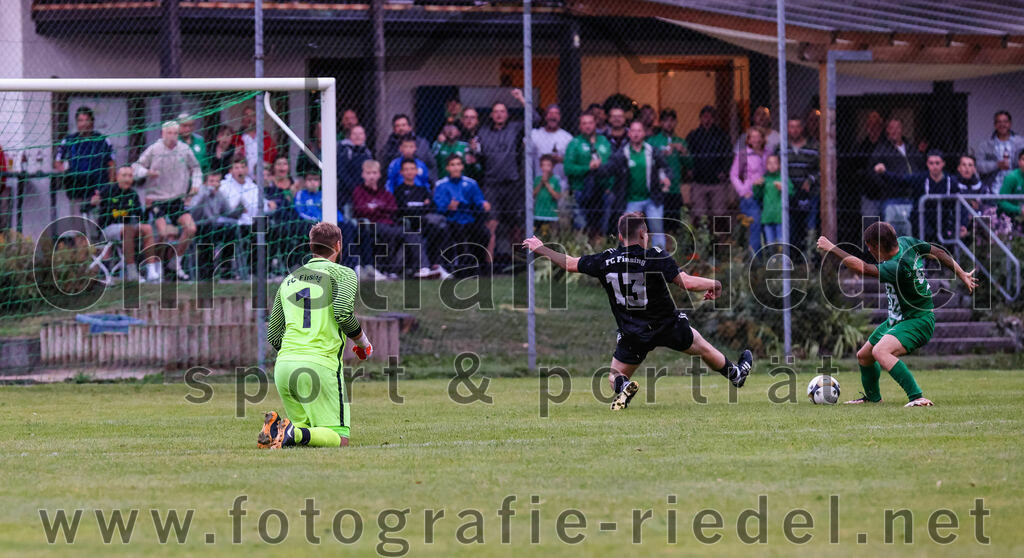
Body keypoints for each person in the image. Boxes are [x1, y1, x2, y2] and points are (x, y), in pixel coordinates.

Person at [522, 212, 753, 411]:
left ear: (621, 237)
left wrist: (541, 248)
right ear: (644, 235)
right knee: (702, 346)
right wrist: (715, 284)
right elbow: (687, 283)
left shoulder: (606, 260)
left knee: (613, 376)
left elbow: (569, 263)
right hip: (667, 324)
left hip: (633, 332)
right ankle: (735, 374)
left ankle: (624, 386)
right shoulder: (655, 256)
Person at [816, 222, 977, 407]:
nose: (868, 250)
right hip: (898, 319)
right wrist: (961, 273)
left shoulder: (898, 266)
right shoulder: (907, 243)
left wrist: (832, 248)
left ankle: (917, 397)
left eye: (869, 247)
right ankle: (873, 398)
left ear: (878, 246)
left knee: (880, 351)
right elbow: (939, 253)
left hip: (917, 321)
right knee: (864, 356)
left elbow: (863, 268)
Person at [260, 221, 373, 449]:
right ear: (338, 246)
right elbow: (342, 313)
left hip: (284, 367)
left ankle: (280, 430)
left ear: (311, 246)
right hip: (319, 366)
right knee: (339, 439)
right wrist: (364, 343)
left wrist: (295, 354)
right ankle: (290, 431)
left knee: (304, 436)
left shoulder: (289, 280)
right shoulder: (344, 274)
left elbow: (273, 334)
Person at [133, 121, 202, 280]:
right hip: (157, 200)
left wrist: (196, 185)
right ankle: (155, 265)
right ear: (163, 134)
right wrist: (147, 172)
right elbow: (136, 167)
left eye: (175, 133)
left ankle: (175, 262)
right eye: (169, 133)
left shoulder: (184, 149)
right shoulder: (154, 149)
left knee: (191, 229)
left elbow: (196, 168)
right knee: (163, 233)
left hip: (177, 199)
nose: (172, 136)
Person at [353, 159, 433, 279]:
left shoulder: (384, 192)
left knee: (411, 234)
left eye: (374, 173)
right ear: (363, 174)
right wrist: (381, 209)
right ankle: (390, 269)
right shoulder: (358, 191)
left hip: (390, 224)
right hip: (371, 225)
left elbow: (393, 208)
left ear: (379, 174)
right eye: (368, 173)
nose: (371, 176)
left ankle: (423, 268)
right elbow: (360, 210)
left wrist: (375, 208)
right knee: (399, 233)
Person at [599, 121, 672, 249]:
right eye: (633, 131)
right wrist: (598, 165)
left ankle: (660, 260)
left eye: (639, 131)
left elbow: (666, 168)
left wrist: (666, 178)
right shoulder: (622, 154)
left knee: (657, 230)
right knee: (628, 233)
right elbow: (607, 170)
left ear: (644, 133)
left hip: (652, 199)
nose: (636, 134)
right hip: (631, 200)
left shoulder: (652, 151)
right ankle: (629, 260)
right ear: (629, 134)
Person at [477, 97, 525, 263]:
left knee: (515, 226)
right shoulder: (482, 132)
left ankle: (518, 262)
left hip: (512, 183)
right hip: (491, 184)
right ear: (491, 115)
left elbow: (536, 119)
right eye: (496, 112)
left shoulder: (515, 128)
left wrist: (521, 99)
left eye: (502, 112)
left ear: (507, 114)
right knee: (491, 224)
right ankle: (488, 265)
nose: (499, 115)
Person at [90, 165, 156, 282]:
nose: (127, 179)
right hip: (108, 229)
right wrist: (93, 202)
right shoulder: (107, 190)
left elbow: (141, 219)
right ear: (117, 177)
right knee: (128, 229)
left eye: (130, 176)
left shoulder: (133, 194)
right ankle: (131, 271)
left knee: (147, 228)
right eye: (124, 175)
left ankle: (151, 270)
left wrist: (148, 207)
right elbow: (87, 206)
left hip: (128, 229)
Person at [875, 150, 956, 243]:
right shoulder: (921, 178)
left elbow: (959, 203)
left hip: (943, 219)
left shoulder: (951, 181)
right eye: (931, 163)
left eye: (937, 163)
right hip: (924, 220)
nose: (934, 166)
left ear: (943, 164)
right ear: (927, 164)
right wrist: (884, 173)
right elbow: (900, 181)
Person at [433, 154, 492, 273]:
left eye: (458, 164)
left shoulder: (471, 183)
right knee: (455, 233)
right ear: (447, 168)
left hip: (470, 219)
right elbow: (439, 207)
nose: (455, 168)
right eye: (452, 165)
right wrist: (449, 207)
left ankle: (479, 265)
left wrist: (484, 204)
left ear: (462, 167)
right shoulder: (441, 184)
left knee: (484, 233)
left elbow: (478, 200)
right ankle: (457, 268)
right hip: (451, 220)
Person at [564, 113, 614, 238]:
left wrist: (610, 186)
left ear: (595, 124)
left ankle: (602, 250)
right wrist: (587, 168)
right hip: (580, 190)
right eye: (584, 123)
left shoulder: (604, 142)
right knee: (582, 227)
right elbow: (568, 168)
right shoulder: (574, 143)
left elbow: (613, 165)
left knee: (602, 227)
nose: (588, 126)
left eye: (590, 123)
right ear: (580, 126)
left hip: (603, 190)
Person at [868, 117, 924, 226]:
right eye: (891, 128)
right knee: (892, 233)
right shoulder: (881, 149)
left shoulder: (910, 147)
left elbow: (921, 166)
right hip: (892, 198)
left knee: (911, 229)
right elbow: (873, 172)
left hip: (912, 196)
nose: (894, 131)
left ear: (902, 129)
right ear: (887, 130)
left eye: (897, 127)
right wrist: (888, 186)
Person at [55, 106, 116, 203]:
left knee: (97, 217)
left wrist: (111, 186)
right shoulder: (68, 140)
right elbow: (58, 162)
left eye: (87, 120)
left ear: (92, 122)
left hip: (99, 190)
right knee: (78, 217)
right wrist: (66, 172)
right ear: (76, 122)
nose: (84, 124)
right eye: (80, 120)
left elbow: (111, 164)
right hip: (77, 189)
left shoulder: (103, 140)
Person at [646, 108, 693, 234]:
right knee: (656, 226)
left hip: (674, 189)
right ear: (661, 123)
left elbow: (690, 165)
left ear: (676, 122)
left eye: (672, 121)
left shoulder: (680, 141)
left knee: (674, 227)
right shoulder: (653, 140)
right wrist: (660, 154)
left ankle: (673, 251)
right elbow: (646, 160)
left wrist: (684, 152)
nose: (669, 124)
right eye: (665, 121)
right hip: (656, 189)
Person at [188, 171, 241, 280]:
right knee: (209, 231)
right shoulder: (200, 193)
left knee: (231, 230)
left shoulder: (219, 194)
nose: (214, 184)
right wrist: (205, 195)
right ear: (205, 183)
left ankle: (225, 267)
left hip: (214, 226)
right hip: (199, 226)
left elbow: (228, 212)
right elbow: (192, 211)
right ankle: (206, 270)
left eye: (217, 181)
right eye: (211, 181)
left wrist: (239, 209)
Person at [685, 106, 732, 228]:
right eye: (705, 116)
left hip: (717, 181)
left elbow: (728, 155)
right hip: (699, 179)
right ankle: (700, 239)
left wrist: (724, 171)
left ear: (714, 119)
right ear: (700, 118)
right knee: (699, 214)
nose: (707, 119)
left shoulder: (722, 135)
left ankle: (720, 241)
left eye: (710, 116)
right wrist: (689, 169)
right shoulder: (693, 135)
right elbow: (686, 154)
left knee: (720, 213)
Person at [781, 117, 820, 247]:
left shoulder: (814, 147)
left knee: (810, 224)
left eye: (797, 127)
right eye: (791, 127)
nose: (795, 130)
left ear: (802, 128)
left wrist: (810, 180)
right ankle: (793, 257)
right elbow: (774, 168)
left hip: (810, 193)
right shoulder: (781, 147)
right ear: (787, 129)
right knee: (791, 226)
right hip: (789, 194)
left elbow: (823, 170)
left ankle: (810, 255)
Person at [730, 127, 768, 253]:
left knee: (768, 226)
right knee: (755, 226)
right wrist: (743, 191)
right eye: (753, 137)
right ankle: (754, 260)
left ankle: (770, 259)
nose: (756, 140)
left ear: (763, 138)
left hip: (768, 195)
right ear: (749, 140)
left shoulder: (769, 153)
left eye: (759, 137)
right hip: (750, 195)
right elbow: (734, 175)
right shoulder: (743, 154)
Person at [976, 111, 1024, 197]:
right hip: (994, 189)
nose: (1002, 125)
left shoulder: (1021, 143)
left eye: (1005, 122)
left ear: (1010, 124)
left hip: (1017, 188)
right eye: (999, 122)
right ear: (995, 125)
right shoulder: (985, 145)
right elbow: (979, 166)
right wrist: (996, 165)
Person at [379, 114, 436, 183]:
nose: (401, 128)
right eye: (397, 126)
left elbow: (432, 166)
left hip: (421, 184)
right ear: (394, 129)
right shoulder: (388, 147)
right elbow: (384, 169)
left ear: (410, 127)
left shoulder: (422, 144)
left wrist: (427, 179)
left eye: (403, 125)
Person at [529, 105, 573, 189]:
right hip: (539, 184)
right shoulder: (535, 134)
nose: (553, 116)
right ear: (545, 117)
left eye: (556, 113)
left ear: (560, 117)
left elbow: (573, 161)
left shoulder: (567, 138)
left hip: (561, 185)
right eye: (550, 113)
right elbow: (524, 146)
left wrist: (561, 160)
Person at [754, 154, 794, 247]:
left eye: (775, 163)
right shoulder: (765, 179)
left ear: (780, 165)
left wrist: (784, 189)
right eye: (769, 163)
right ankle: (773, 260)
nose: (772, 165)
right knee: (770, 242)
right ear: (766, 165)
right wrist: (757, 186)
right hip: (767, 217)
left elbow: (792, 192)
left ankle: (782, 260)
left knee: (781, 241)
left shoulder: (783, 178)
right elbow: (757, 195)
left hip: (780, 217)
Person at [232, 106, 277, 178]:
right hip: (243, 178)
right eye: (246, 115)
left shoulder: (265, 136)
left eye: (252, 116)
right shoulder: (236, 138)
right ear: (242, 119)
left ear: (256, 119)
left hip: (263, 178)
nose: (249, 119)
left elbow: (273, 156)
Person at [338, 125, 373, 206]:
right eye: (355, 134)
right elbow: (342, 172)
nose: (358, 136)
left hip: (364, 193)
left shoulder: (367, 153)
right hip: (346, 194)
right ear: (350, 136)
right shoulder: (344, 151)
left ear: (365, 136)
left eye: (360, 134)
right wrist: (355, 189)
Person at [532, 154, 561, 232]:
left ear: (552, 167)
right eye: (543, 165)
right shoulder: (537, 179)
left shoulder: (556, 180)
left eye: (548, 165)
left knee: (551, 237)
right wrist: (541, 183)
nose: (545, 168)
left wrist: (547, 184)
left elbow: (557, 196)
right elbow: (533, 195)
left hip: (551, 215)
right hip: (538, 214)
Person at [997, 148, 1024, 221]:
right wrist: (1019, 210)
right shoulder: (1011, 177)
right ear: (1019, 162)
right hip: (1009, 218)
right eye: (1023, 159)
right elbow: (1001, 202)